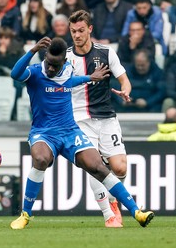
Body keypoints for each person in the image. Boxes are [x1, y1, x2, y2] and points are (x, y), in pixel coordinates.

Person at [9, 36, 154, 229]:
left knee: (99, 167)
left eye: (55, 66)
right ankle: (25, 214)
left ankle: (137, 212)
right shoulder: (35, 73)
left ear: (64, 62)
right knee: (41, 160)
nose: (51, 69)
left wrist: (89, 78)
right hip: (44, 133)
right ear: (45, 58)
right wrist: (32, 51)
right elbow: (15, 73)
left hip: (70, 132)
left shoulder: (68, 69)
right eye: (49, 64)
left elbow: (70, 81)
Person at [67, 10, 133, 227]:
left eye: (81, 31)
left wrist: (125, 90)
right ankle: (109, 213)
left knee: (120, 167)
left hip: (106, 118)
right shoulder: (66, 58)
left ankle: (113, 198)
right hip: (79, 119)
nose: (77, 35)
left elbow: (124, 80)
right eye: (73, 31)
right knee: (93, 164)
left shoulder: (106, 52)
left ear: (90, 29)